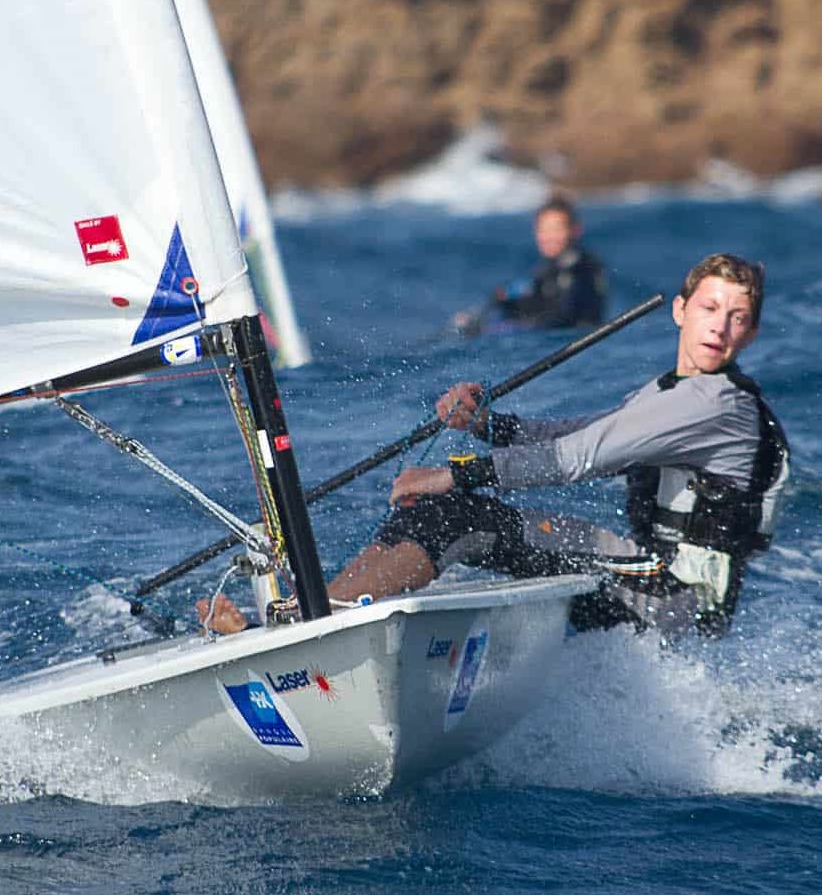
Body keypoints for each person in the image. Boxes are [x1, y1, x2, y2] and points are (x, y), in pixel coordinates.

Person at [324, 252, 790, 639]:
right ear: (680, 310)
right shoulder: (669, 391)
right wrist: (486, 425)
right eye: (710, 309)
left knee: (452, 513)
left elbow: (576, 458)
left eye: (738, 318)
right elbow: (577, 435)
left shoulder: (716, 403)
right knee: (431, 512)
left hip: (674, 597)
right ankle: (321, 614)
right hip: (648, 572)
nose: (720, 327)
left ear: (750, 334)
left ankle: (325, 631)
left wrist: (452, 475)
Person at [453, 190, 607, 336]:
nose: (549, 236)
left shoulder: (580, 268)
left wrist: (488, 330)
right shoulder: (548, 269)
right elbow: (538, 303)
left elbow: (560, 318)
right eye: (543, 229)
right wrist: (506, 302)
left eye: (556, 229)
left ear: (575, 231)